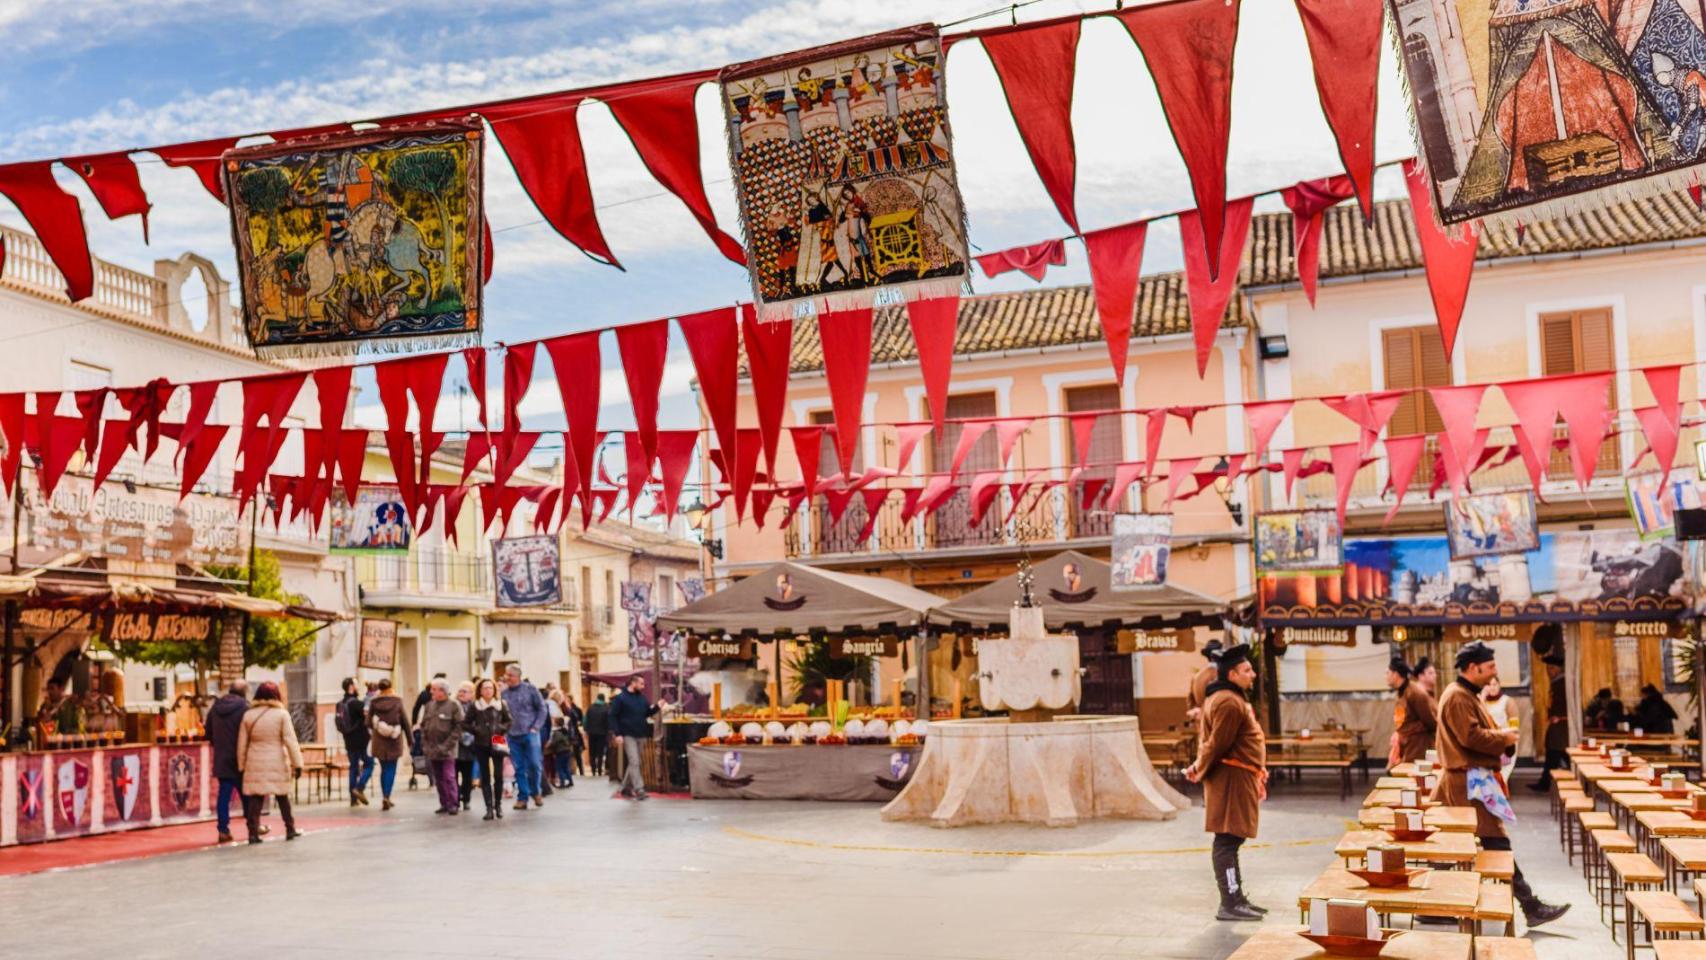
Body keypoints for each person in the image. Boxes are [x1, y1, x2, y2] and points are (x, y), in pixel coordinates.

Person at [1431, 641, 1568, 927]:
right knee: (1494, 840)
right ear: (1473, 668)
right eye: (1490, 666)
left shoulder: (1466, 694)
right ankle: (1530, 906)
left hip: (1470, 780)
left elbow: (1476, 733)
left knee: (1461, 841)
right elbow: (1470, 737)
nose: (1494, 672)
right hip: (1467, 782)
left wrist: (1501, 738)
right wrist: (1503, 738)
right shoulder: (1457, 696)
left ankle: (1433, 905)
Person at [1184, 643, 1267, 922]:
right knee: (1227, 841)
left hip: (1236, 778)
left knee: (1232, 838)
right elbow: (1217, 744)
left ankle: (1237, 898)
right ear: (1232, 674)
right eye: (1247, 670)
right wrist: (1198, 767)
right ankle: (1230, 902)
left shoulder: (1227, 698)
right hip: (1231, 780)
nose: (1253, 674)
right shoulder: (1229, 702)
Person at [236, 682, 302, 844]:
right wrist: (297, 763)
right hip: (276, 760)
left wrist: (241, 765)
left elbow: (242, 744)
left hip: (255, 761)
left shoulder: (248, 715)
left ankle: (253, 833)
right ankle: (290, 828)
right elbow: (290, 741)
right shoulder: (281, 715)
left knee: (256, 798)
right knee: (282, 796)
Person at [206, 679, 250, 843]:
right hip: (240, 757)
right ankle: (252, 825)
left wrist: (218, 745)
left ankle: (223, 830)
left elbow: (208, 731)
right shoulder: (245, 708)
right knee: (246, 794)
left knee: (224, 795)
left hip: (222, 757)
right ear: (244, 692)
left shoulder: (216, 707)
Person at [501, 666, 548, 810]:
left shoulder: (530, 689)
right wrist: (502, 734)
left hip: (530, 733)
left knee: (534, 764)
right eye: (506, 675)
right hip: (512, 735)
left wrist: (536, 727)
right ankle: (523, 797)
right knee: (518, 767)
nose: (507, 678)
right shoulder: (503, 694)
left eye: (510, 675)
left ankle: (536, 792)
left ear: (518, 676)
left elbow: (542, 708)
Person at [465, 678, 511, 820]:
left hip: (498, 739)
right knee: (485, 776)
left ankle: (498, 806)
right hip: (481, 742)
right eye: (485, 688)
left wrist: (500, 729)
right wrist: (477, 730)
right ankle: (489, 808)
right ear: (480, 690)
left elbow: (509, 721)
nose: (488, 690)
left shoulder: (501, 704)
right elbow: (465, 723)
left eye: (490, 688)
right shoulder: (475, 705)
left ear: (494, 690)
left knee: (498, 775)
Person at [417, 678, 464, 815]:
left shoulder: (454, 705)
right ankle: (444, 803)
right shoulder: (429, 706)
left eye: (434, 689)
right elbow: (424, 726)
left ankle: (453, 803)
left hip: (448, 749)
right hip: (432, 748)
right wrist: (425, 744)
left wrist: (447, 745)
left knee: (449, 776)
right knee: (438, 778)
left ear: (442, 691)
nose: (431, 692)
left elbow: (459, 727)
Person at [609, 675, 660, 801]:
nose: (643, 686)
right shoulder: (620, 698)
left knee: (634, 763)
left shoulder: (642, 698)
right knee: (635, 761)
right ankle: (639, 789)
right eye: (641, 684)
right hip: (627, 734)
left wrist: (657, 707)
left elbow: (647, 713)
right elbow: (612, 716)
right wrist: (617, 734)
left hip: (641, 734)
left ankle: (625, 788)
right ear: (633, 683)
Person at [366, 678, 412, 810]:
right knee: (391, 769)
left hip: (379, 741)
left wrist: (379, 726)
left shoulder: (374, 702)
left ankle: (385, 796)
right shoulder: (397, 701)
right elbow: (405, 722)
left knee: (383, 769)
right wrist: (410, 740)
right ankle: (387, 796)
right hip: (394, 739)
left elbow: (368, 722)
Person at [1529, 651, 1570, 792]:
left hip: (1562, 725)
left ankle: (1545, 782)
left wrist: (1560, 716)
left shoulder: (1562, 683)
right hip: (1558, 725)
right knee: (1555, 754)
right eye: (1548, 668)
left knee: (1558, 752)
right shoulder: (1557, 683)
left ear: (1559, 669)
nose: (1549, 671)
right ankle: (1544, 781)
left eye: (1551, 668)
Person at [1391, 654, 1436, 765]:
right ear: (1421, 676)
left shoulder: (1415, 692)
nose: (1435, 676)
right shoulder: (1411, 692)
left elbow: (1431, 721)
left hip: (1420, 744)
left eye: (1434, 673)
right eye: (1430, 673)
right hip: (1412, 743)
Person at [336, 678, 374, 807]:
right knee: (369, 764)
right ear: (351, 687)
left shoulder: (340, 704)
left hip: (348, 740)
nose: (358, 686)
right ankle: (359, 787)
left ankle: (353, 799)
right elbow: (368, 716)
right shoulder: (357, 704)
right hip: (361, 740)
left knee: (353, 767)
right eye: (356, 684)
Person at [1481, 675, 1517, 780]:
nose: (1492, 687)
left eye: (1494, 684)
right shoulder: (1482, 701)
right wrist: (1482, 698)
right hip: (1488, 742)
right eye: (1489, 685)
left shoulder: (1507, 701)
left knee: (1502, 776)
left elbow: (1514, 726)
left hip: (1504, 741)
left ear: (1499, 685)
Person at [1184, 640, 1224, 726]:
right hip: (1218, 723)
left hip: (1202, 725)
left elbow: (1190, 701)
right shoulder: (1222, 675)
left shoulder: (1196, 677)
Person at [454, 681, 477, 811]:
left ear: (472, 694)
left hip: (470, 747)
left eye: (465, 691)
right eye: (460, 691)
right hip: (455, 746)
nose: (461, 693)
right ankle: (455, 798)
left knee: (467, 776)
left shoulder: (475, 707)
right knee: (453, 775)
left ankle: (466, 799)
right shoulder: (453, 705)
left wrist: (470, 738)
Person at [584, 693, 610, 777]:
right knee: (600, 752)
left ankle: (593, 770)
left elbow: (585, 720)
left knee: (592, 752)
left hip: (591, 733)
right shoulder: (606, 709)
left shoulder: (590, 708)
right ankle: (599, 770)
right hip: (602, 733)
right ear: (603, 699)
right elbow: (608, 722)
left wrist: (586, 730)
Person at [563, 694, 587, 777]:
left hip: (575, 734)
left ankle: (581, 771)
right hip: (569, 734)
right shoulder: (565, 709)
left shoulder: (576, 710)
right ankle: (571, 771)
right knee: (569, 753)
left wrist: (580, 726)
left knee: (577, 753)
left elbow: (580, 721)